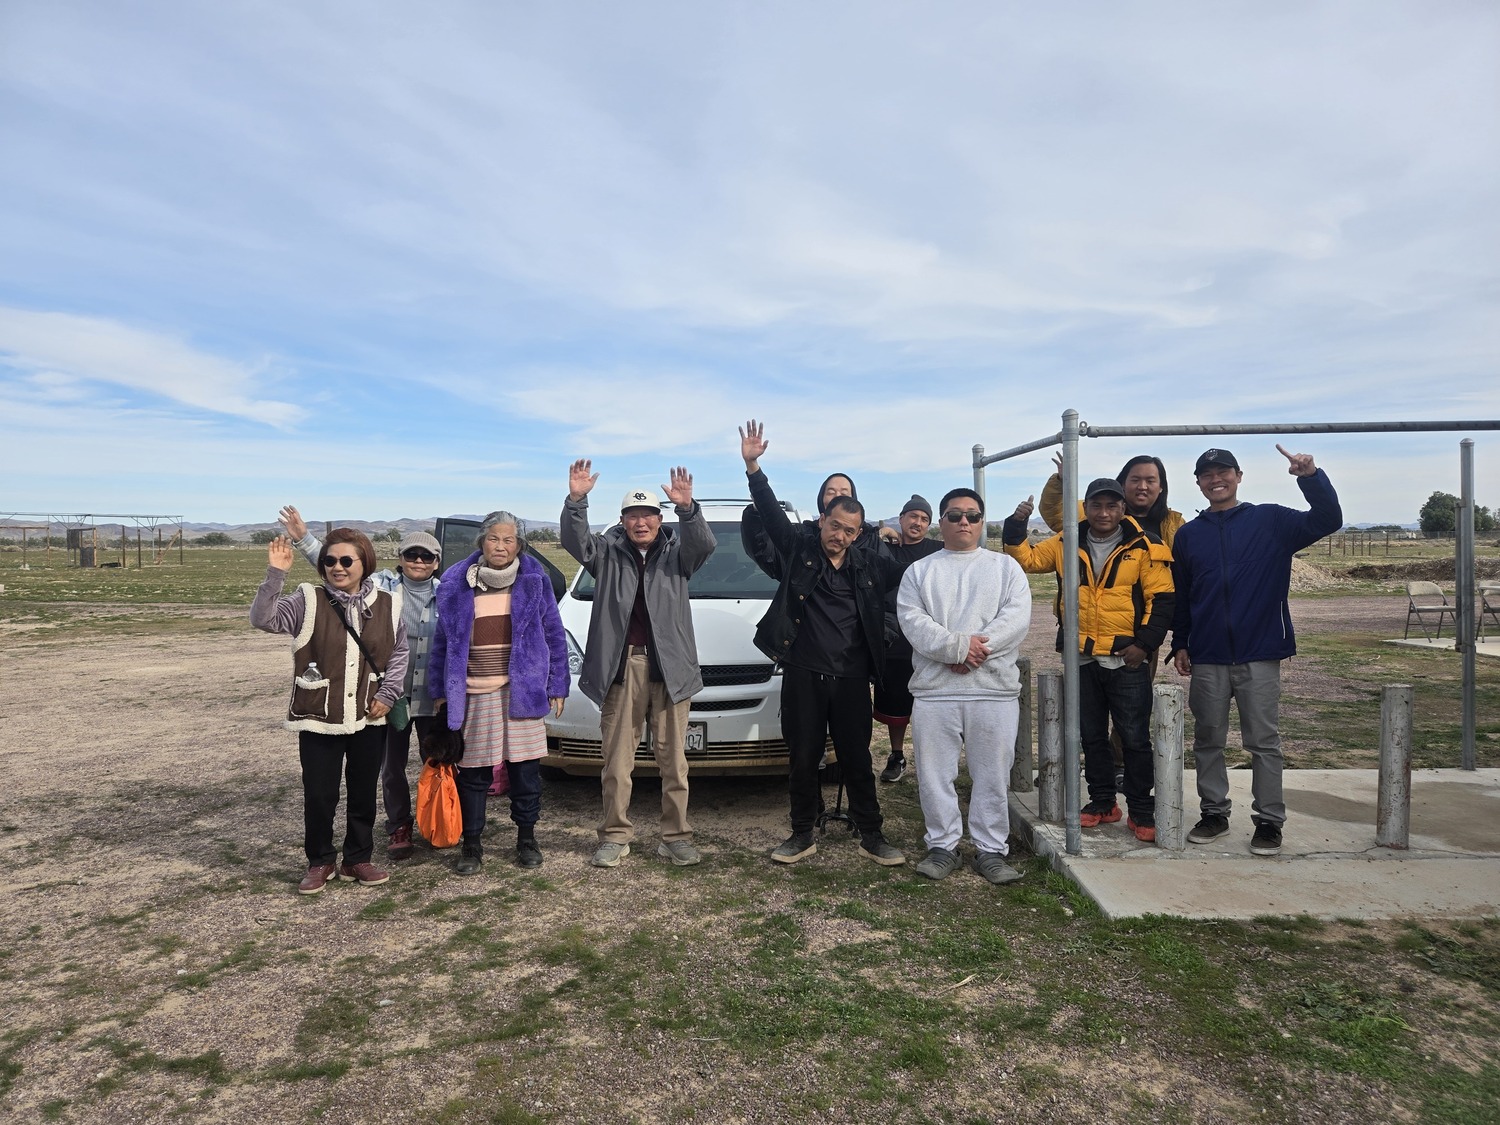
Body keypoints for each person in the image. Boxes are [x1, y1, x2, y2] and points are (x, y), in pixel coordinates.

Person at [739, 419, 910, 867]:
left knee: (856, 757)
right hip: (803, 672)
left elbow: (910, 588)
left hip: (852, 678)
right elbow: (771, 515)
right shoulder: (799, 547)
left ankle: (872, 834)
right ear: (822, 521)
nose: (840, 536)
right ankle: (801, 833)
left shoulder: (871, 566)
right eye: (834, 526)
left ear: (859, 532)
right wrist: (754, 467)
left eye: (849, 531)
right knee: (804, 756)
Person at [1170, 445, 1342, 856]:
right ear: (1198, 482)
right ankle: (1214, 812)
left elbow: (1328, 519)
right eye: (1207, 474)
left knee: (1263, 742)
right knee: (1208, 739)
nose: (1216, 480)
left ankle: (1269, 821)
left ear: (1239, 475)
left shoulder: (1271, 520)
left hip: (1259, 652)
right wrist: (1180, 642)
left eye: (1223, 472)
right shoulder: (1190, 535)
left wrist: (1310, 477)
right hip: (1208, 654)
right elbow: (1184, 596)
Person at [561, 462, 716, 869]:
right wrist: (577, 501)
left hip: (671, 669)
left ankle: (675, 836)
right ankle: (614, 835)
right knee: (617, 761)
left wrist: (689, 509)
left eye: (648, 514)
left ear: (660, 519)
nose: (641, 522)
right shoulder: (606, 554)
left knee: (674, 762)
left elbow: (704, 545)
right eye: (633, 515)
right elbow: (574, 540)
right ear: (623, 521)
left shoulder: (678, 556)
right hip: (622, 666)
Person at [1003, 478, 1175, 842]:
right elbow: (1025, 560)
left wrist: (1143, 646)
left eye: (1112, 506)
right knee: (1091, 736)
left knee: (1134, 738)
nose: (1104, 513)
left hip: (1126, 659)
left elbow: (1162, 600)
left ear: (1122, 509)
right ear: (1088, 508)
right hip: (1081, 657)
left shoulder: (1146, 546)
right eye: (1097, 505)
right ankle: (1102, 802)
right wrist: (1016, 525)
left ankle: (1142, 810)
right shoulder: (1066, 541)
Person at [279, 506, 442, 862]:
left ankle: (437, 823)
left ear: (436, 561)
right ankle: (399, 825)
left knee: (437, 763)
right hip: (388, 697)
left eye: (426, 555)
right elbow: (340, 568)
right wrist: (303, 539)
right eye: (411, 553)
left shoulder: (447, 595)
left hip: (433, 695)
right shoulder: (382, 586)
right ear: (399, 558)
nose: (418, 560)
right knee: (392, 767)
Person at [250, 529, 409, 895]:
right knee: (320, 793)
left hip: (370, 713)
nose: (337, 567)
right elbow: (264, 619)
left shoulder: (388, 603)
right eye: (329, 561)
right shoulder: (308, 600)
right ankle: (321, 861)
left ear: (364, 563)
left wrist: (389, 692)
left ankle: (358, 858)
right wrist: (275, 575)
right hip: (319, 715)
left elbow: (398, 653)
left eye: (345, 560)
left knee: (363, 790)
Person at [898, 488, 1032, 883]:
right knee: (934, 773)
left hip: (992, 689)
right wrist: (956, 649)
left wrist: (972, 652)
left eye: (972, 516)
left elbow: (1015, 619)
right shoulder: (920, 571)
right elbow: (913, 622)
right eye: (955, 515)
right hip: (936, 690)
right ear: (941, 522)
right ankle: (942, 845)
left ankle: (991, 849)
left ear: (981, 522)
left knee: (992, 773)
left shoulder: (1006, 569)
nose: (964, 522)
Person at [427, 511, 569, 874]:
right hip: (474, 691)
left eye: (509, 540)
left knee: (524, 771)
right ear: (482, 542)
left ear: (519, 545)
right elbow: (443, 641)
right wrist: (440, 689)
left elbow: (553, 633)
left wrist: (556, 684)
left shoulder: (533, 580)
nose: (501, 546)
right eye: (494, 539)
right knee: (474, 774)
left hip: (520, 690)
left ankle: (526, 839)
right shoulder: (456, 583)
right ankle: (472, 844)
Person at [875, 495, 943, 783]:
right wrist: (878, 531)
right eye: (912, 516)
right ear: (900, 519)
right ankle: (897, 754)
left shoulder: (939, 550)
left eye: (924, 519)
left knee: (935, 705)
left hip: (933, 641)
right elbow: (854, 536)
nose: (918, 522)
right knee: (896, 704)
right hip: (896, 641)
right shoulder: (886, 549)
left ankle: (936, 761)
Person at [1036, 454, 1184, 547]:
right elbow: (1055, 515)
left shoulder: (1175, 524)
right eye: (1135, 480)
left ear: (1161, 487)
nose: (1142, 487)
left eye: (1150, 481)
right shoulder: (1093, 511)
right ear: (1122, 484)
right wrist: (1061, 481)